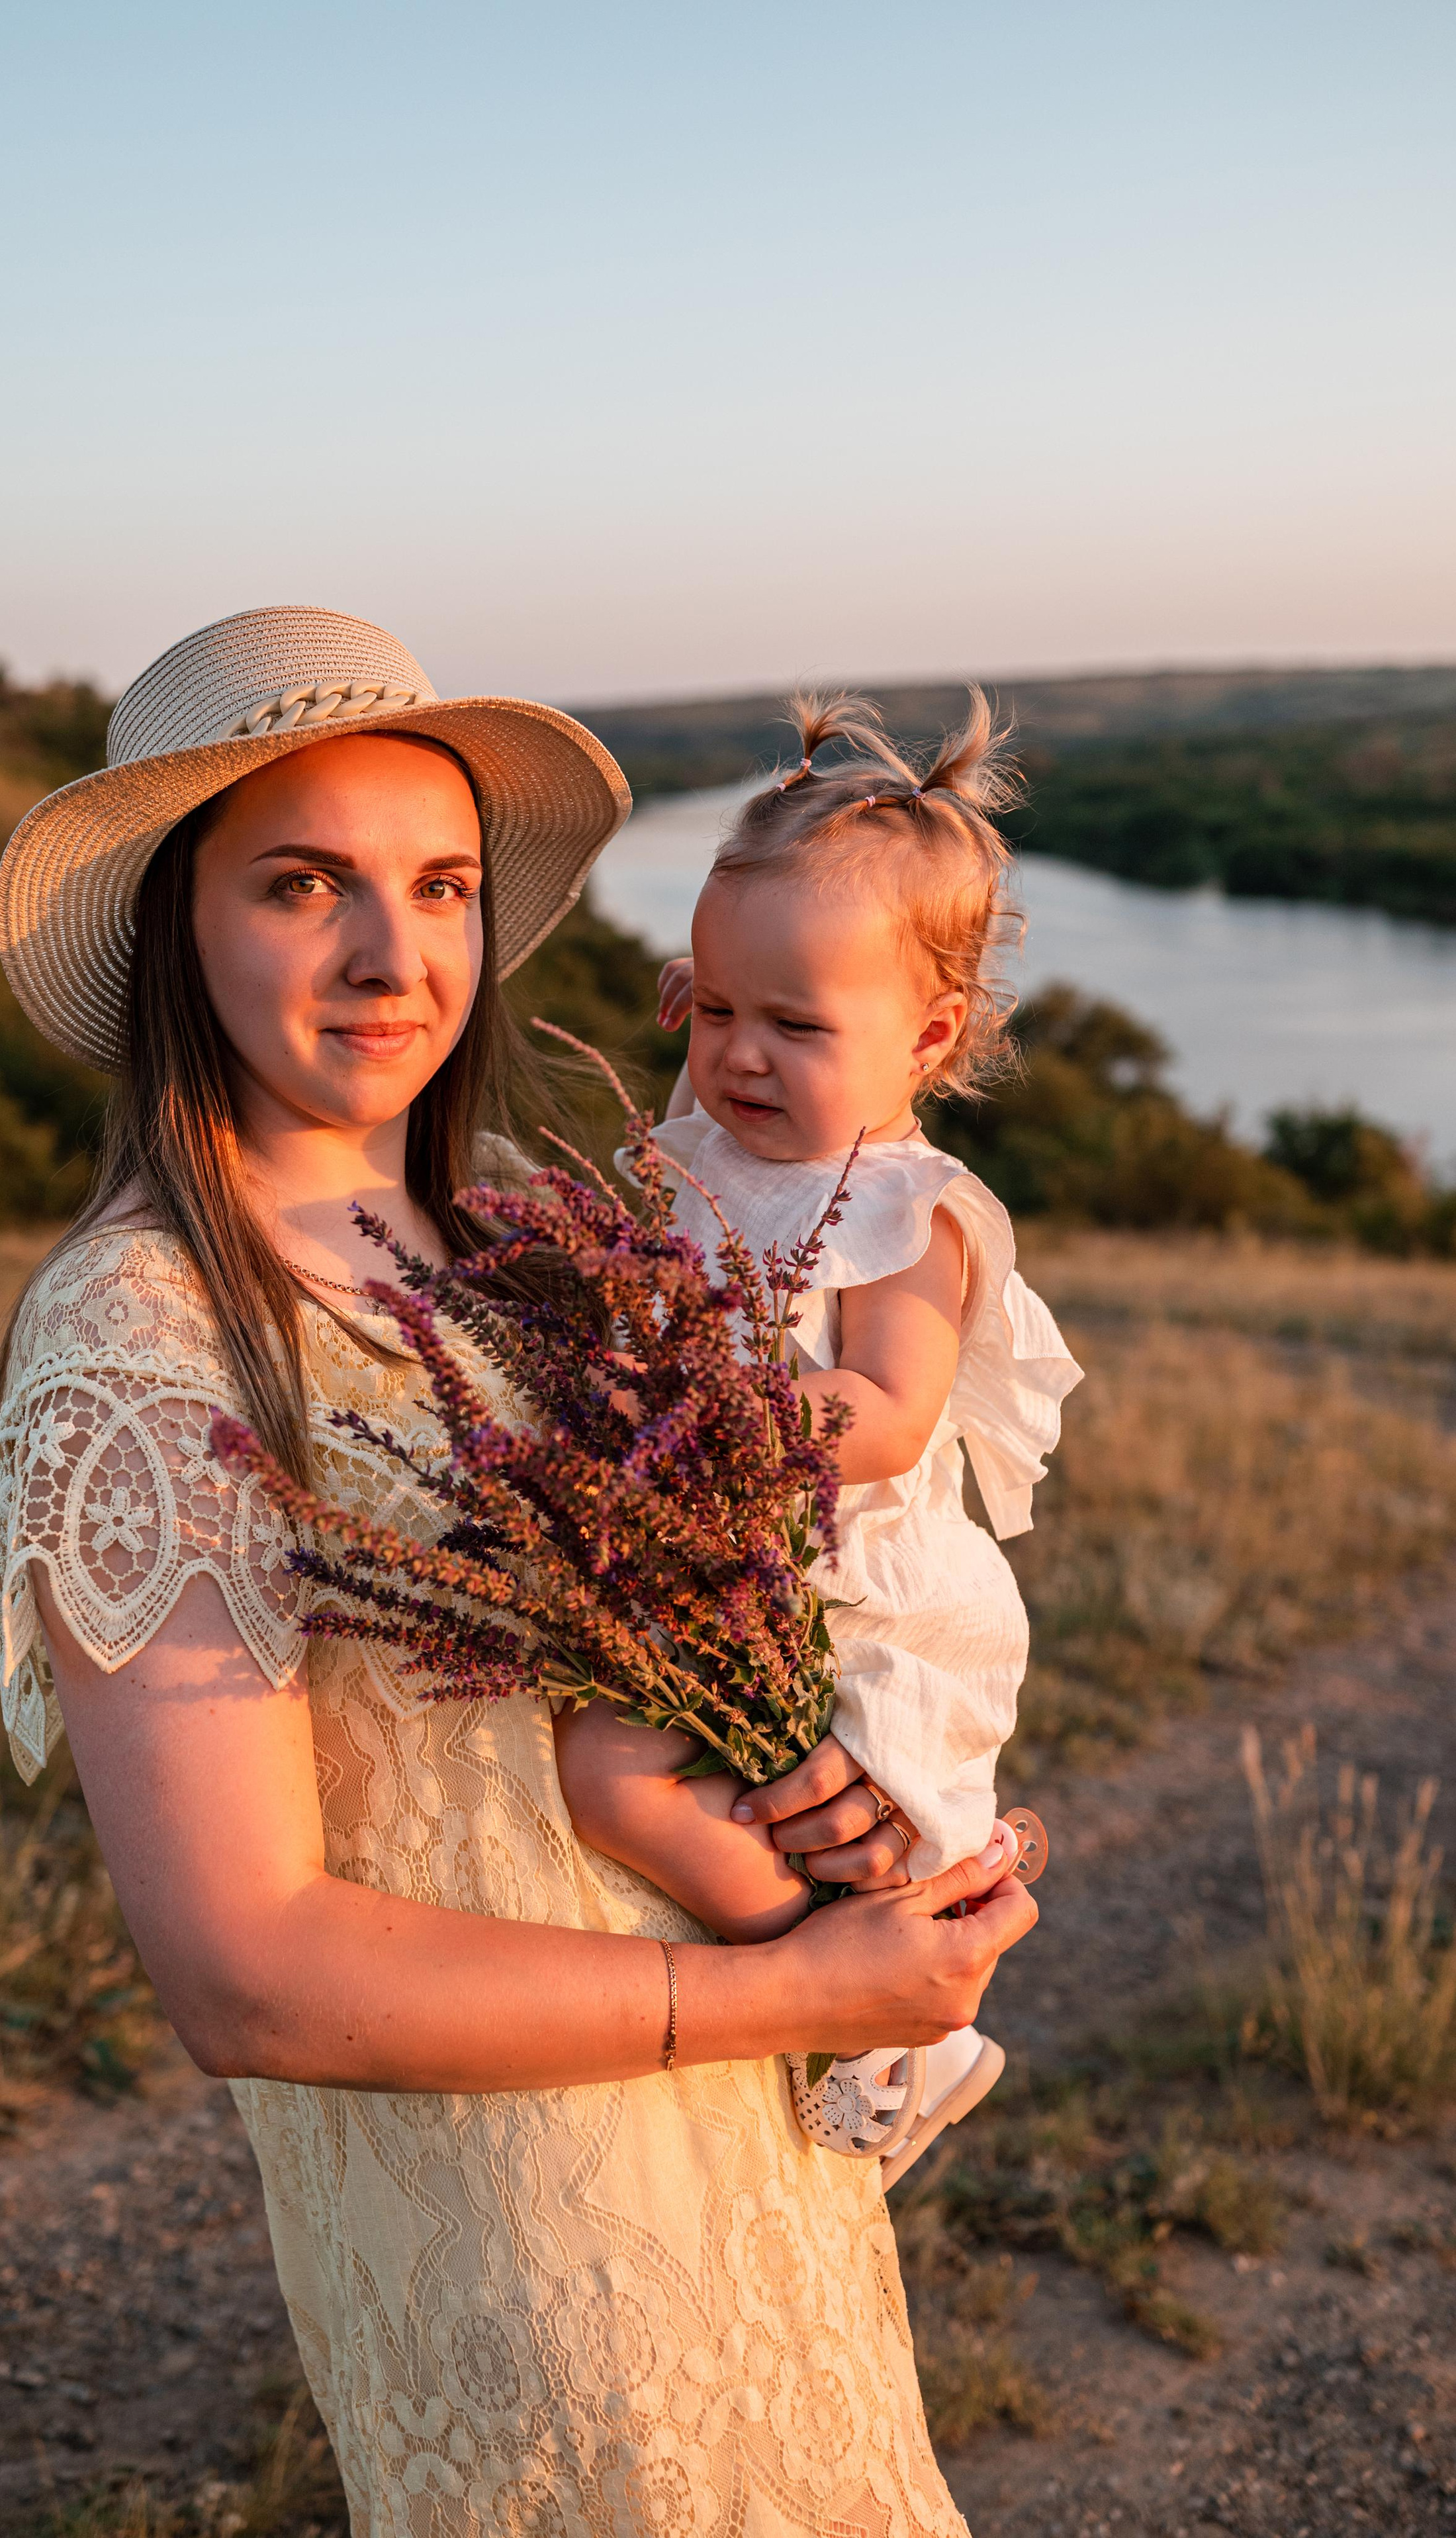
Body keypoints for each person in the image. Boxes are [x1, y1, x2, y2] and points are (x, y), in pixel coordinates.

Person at [0, 608, 1038, 2537]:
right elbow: (251, 1969)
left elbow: (625, 1700)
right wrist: (796, 1991)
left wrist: (846, 1811)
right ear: (172, 928)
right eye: (306, 885)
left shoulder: (500, 1261)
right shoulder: (143, 1344)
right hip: (534, 2261)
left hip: (748, 2167)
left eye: (441, 883)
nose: (397, 955)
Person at [553, 690, 1079, 2183]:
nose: (740, 1059)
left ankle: (885, 2022)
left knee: (825, 1816)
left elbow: (884, 1417)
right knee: (691, 1794)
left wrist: (687, 1417)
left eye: (793, 1025)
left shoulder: (909, 1214)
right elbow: (676, 1163)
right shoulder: (706, 1151)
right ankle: (832, 1986)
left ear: (924, 1036)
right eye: (712, 1010)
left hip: (855, 1589)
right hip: (721, 1565)